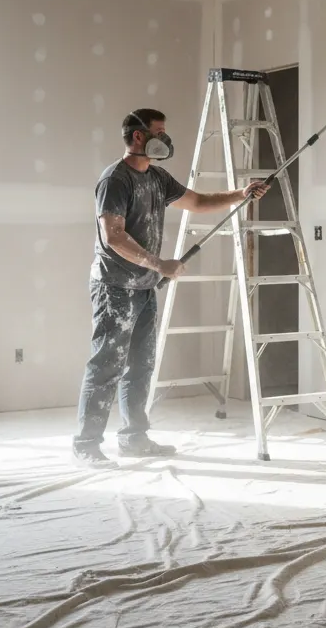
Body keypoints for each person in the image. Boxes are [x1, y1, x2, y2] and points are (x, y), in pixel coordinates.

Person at [73, 108, 268, 469]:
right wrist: (158, 263)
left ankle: (134, 439)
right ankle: (86, 444)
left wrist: (241, 194)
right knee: (106, 365)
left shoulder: (158, 178)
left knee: (140, 366)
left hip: (145, 288)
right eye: (159, 132)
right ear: (138, 137)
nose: (166, 138)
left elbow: (198, 202)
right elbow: (112, 236)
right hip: (114, 287)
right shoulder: (115, 180)